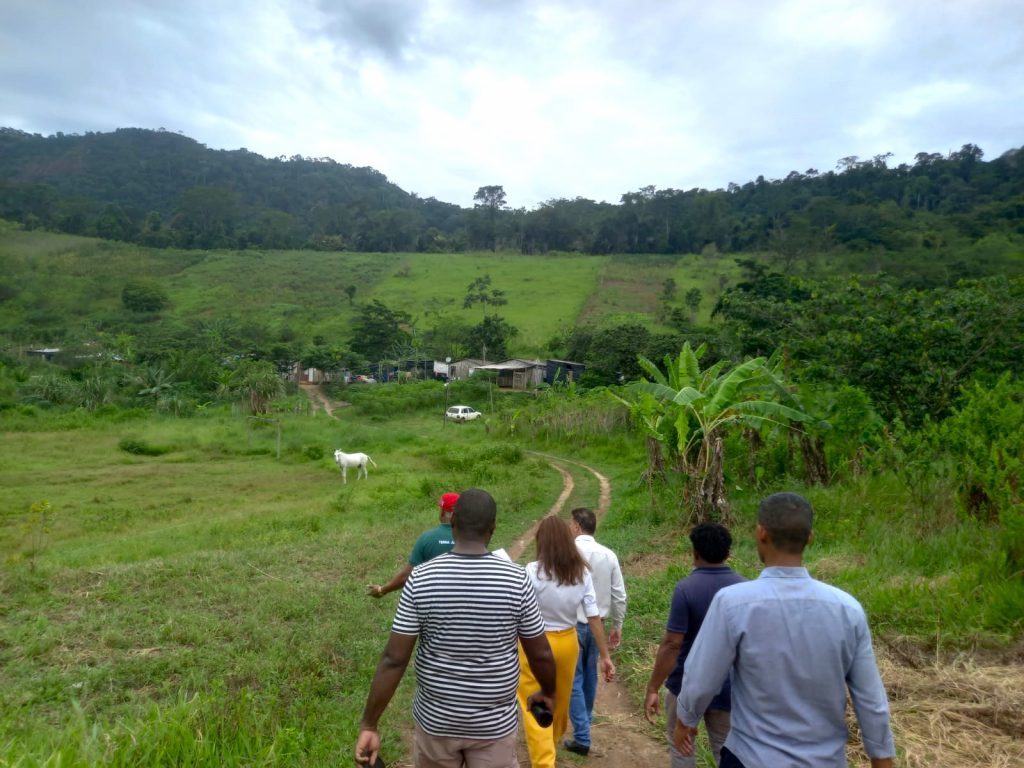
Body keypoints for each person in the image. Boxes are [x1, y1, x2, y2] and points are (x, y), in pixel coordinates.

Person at [675, 492, 896, 768]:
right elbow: (871, 700)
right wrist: (882, 759)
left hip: (751, 758)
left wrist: (686, 719)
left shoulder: (733, 603)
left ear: (761, 533)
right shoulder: (847, 610)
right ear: (809, 538)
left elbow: (701, 678)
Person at [355, 488, 557, 768]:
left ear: (452, 523)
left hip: (436, 724)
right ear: (493, 528)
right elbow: (541, 654)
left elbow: (394, 659)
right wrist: (548, 691)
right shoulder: (517, 580)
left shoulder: (421, 579)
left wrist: (369, 724)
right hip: (493, 727)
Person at [643, 522, 746, 767]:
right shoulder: (744, 588)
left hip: (685, 686)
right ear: (728, 553)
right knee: (727, 750)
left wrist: (653, 688)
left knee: (682, 748)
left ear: (694, 553)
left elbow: (672, 644)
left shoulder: (686, 589)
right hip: (729, 688)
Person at [517, 516, 616, 768]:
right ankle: (551, 742)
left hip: (535, 643)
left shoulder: (531, 570)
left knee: (533, 699)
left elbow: (517, 611)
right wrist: (604, 656)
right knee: (558, 699)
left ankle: (544, 760)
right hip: (568, 643)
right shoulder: (581, 572)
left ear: (542, 542)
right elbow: (594, 617)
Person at [564, 507, 627, 757]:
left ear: (578, 526)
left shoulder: (568, 552)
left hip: (572, 624)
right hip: (597, 624)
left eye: (571, 524)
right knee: (590, 675)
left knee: (573, 680)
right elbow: (619, 595)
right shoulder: (609, 555)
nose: (569, 527)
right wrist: (617, 625)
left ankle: (582, 735)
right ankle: (585, 724)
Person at [367, 492, 459, 598]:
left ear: (442, 513)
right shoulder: (475, 540)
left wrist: (381, 590)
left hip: (432, 600)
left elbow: (406, 576)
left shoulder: (426, 538)